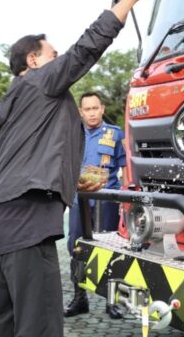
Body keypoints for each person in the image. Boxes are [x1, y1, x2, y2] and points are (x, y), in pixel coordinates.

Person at [0, 0, 159, 336]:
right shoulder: (40, 81)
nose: (60, 60)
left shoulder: (16, 100)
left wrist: (71, 179)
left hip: (5, 215)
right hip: (26, 217)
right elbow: (88, 47)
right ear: (33, 60)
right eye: (52, 54)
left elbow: (27, 159)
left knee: (9, 317)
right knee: (40, 321)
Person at [64, 92, 127, 318]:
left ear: (102, 109)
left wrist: (125, 200)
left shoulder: (115, 134)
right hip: (79, 200)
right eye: (87, 109)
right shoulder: (72, 135)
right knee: (76, 247)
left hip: (106, 200)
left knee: (111, 249)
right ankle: (79, 299)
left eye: (95, 108)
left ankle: (113, 302)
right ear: (81, 112)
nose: (91, 113)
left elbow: (125, 167)